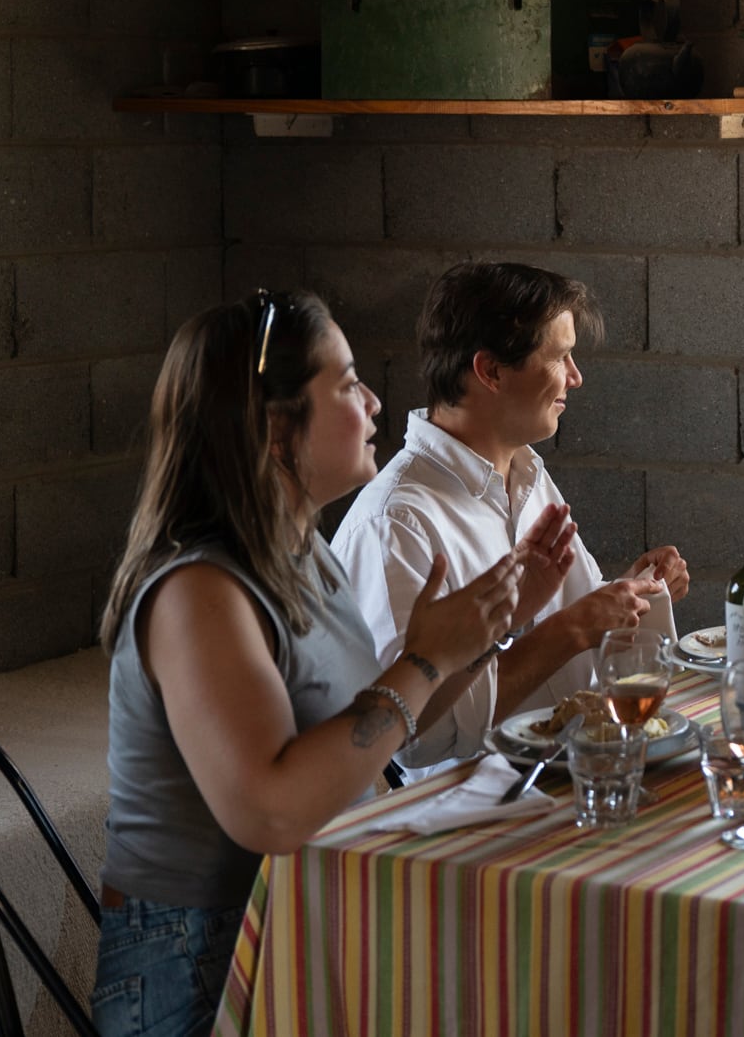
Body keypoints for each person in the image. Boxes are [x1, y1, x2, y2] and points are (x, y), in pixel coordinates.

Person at [93, 291, 573, 1037]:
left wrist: (482, 631)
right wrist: (423, 657)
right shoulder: (198, 590)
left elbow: (386, 730)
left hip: (313, 910)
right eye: (348, 383)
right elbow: (272, 808)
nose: (376, 399)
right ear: (278, 426)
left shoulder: (300, 551)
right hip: (199, 966)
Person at [333, 261, 691, 771]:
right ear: (491, 371)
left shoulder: (525, 473)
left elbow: (583, 638)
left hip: (569, 779)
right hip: (469, 822)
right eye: (561, 357)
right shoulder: (396, 523)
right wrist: (569, 629)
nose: (576, 377)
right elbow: (413, 741)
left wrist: (633, 593)